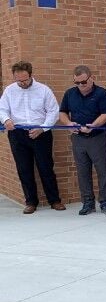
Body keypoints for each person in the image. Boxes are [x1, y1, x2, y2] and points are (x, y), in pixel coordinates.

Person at [0, 61, 65, 214]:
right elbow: (2, 109)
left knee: (46, 167)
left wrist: (42, 128)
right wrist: (6, 120)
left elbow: (53, 111)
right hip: (17, 134)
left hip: (41, 133)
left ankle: (54, 200)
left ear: (31, 75)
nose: (22, 83)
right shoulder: (9, 91)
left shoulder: (44, 90)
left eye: (25, 80)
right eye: (19, 80)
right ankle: (30, 202)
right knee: (24, 169)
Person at [59, 65, 106, 215]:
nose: (81, 86)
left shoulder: (102, 93)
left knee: (103, 171)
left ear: (91, 78)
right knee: (82, 171)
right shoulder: (70, 94)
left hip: (97, 137)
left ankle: (105, 202)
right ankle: (87, 202)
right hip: (78, 138)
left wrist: (94, 125)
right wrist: (69, 123)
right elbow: (62, 112)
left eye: (83, 82)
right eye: (77, 83)